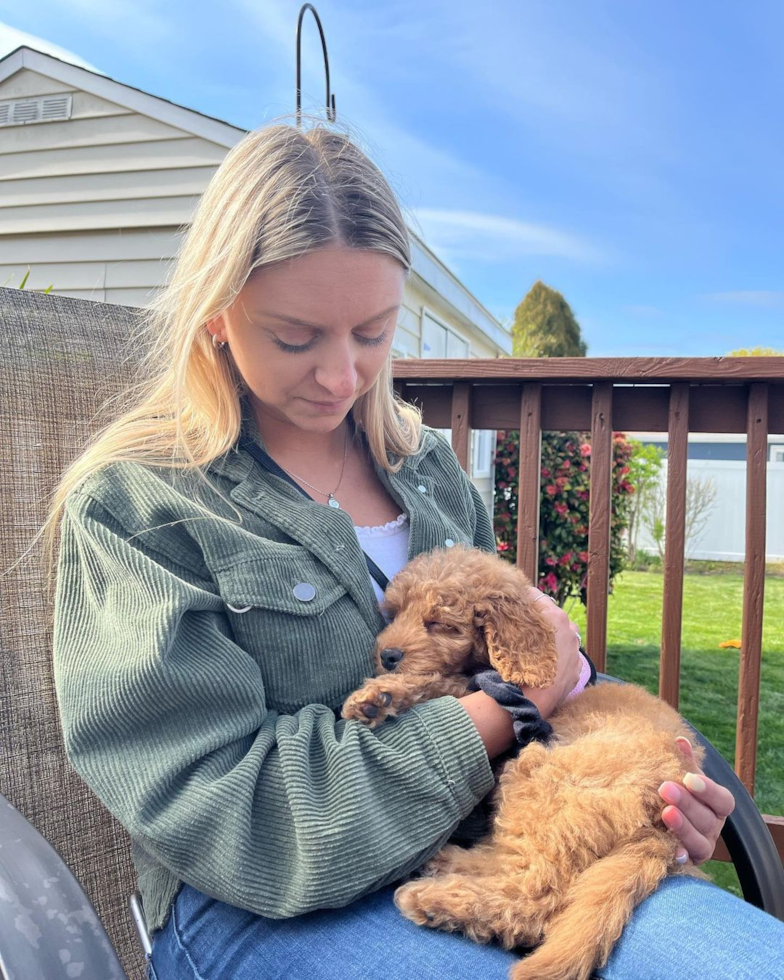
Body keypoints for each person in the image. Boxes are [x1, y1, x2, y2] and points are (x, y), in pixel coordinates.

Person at [45, 118, 784, 980]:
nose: (340, 376)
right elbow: (226, 818)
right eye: (296, 337)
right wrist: (500, 712)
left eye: (373, 332)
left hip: (494, 846)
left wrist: (637, 794)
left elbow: (530, 665)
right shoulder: (144, 506)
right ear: (215, 313)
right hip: (264, 909)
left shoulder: (429, 471)